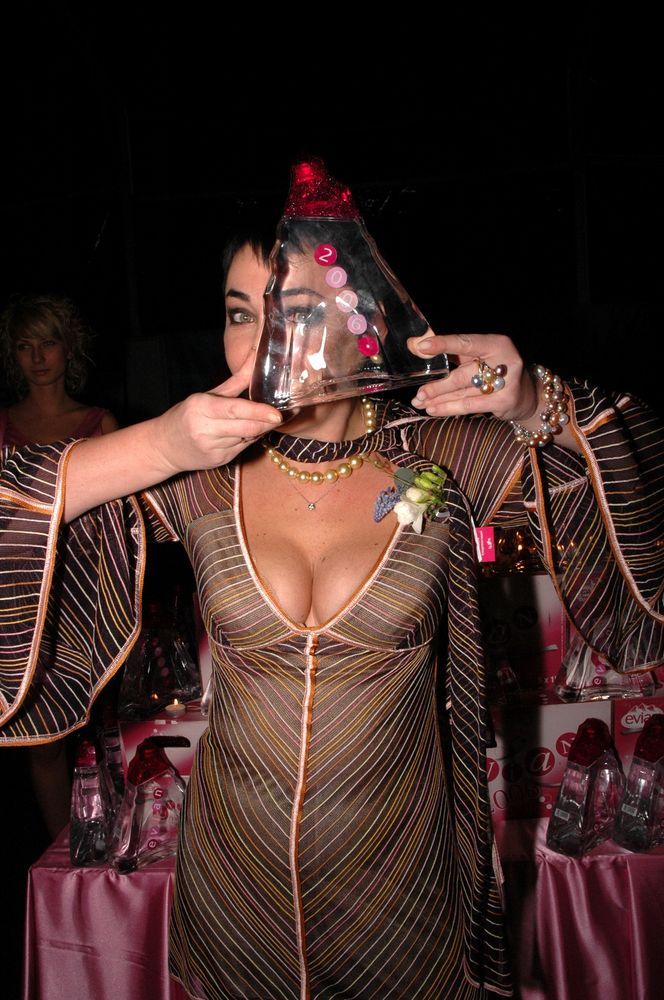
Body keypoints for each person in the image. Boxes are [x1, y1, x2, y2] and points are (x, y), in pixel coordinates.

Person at [1, 222, 662, 1000]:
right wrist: (160, 447)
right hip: (233, 886)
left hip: (400, 891)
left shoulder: (444, 457)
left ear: (367, 324)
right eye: (241, 313)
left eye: (300, 313)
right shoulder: (201, 472)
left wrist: (540, 402)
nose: (264, 346)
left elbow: (637, 507)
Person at [0, 293, 118, 839]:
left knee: (102, 730)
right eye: (25, 345)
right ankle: (61, 853)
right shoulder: (3, 426)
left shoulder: (97, 423)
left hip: (88, 594)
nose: (37, 357)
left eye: (47, 342)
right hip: (22, 604)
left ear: (69, 349)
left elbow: (123, 523)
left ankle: (114, 841)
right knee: (43, 740)